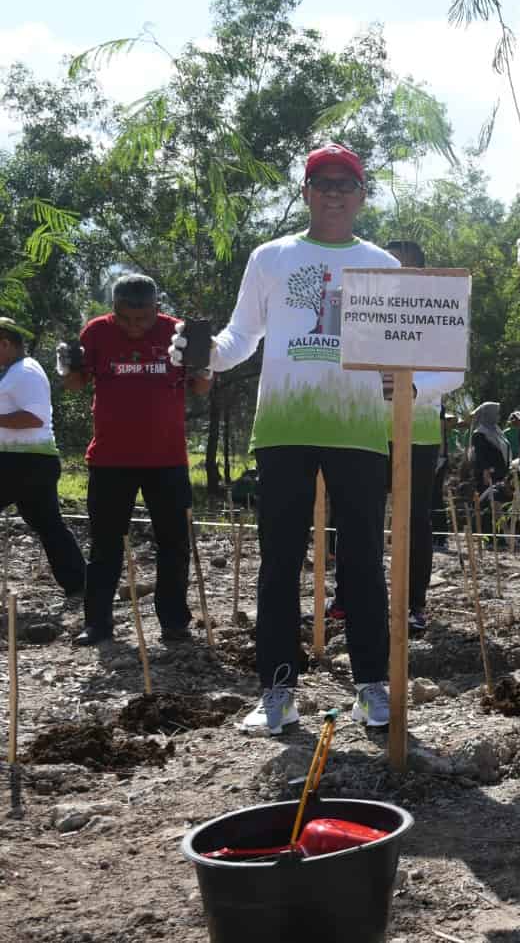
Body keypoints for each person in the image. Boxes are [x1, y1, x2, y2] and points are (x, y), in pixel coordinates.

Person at [169, 143, 395, 734]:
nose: (335, 193)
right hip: (284, 430)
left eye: (346, 183)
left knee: (365, 564)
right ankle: (277, 693)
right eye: (324, 182)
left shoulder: (383, 264)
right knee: (278, 563)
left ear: (362, 195)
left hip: (360, 432)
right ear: (306, 192)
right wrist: (206, 355)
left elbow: (404, 349)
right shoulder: (271, 257)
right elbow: (242, 335)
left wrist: (408, 384)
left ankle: (373, 686)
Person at [60, 274, 210, 645]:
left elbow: (201, 388)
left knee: (174, 543)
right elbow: (75, 385)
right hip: (110, 460)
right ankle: (97, 624)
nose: (134, 327)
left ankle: (174, 622)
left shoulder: (177, 330)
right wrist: (68, 366)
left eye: (142, 319)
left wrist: (205, 362)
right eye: (126, 319)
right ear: (114, 311)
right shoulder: (95, 332)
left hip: (168, 460)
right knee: (106, 545)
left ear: (156, 309)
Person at [380, 241, 462, 632]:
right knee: (357, 514)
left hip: (420, 431)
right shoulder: (368, 308)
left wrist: (413, 389)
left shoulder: (440, 313)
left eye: (404, 267)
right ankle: (352, 599)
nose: (396, 274)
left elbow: (453, 372)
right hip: (364, 429)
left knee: (413, 519)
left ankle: (413, 603)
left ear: (421, 272)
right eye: (389, 266)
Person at [0, 317, 86, 601]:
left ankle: (80, 584)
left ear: (6, 344)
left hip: (24, 462)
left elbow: (33, 418)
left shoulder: (25, 372)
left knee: (48, 524)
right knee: (48, 524)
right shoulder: (12, 371)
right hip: (25, 461)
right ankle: (80, 585)